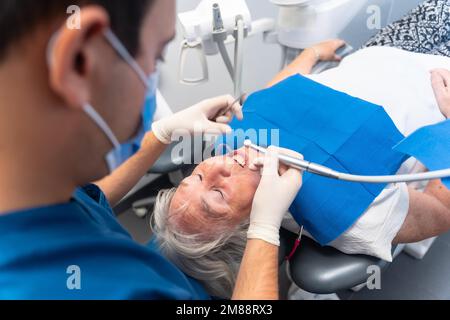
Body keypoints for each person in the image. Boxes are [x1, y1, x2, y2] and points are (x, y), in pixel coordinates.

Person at [0, 0, 302, 300]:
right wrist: (264, 229)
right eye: (156, 57)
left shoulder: (35, 193)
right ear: (78, 60)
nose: (213, 166)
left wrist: (161, 132)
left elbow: (91, 201)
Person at [150, 0, 450, 299]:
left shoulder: (225, 140)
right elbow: (442, 211)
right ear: (247, 230)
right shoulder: (347, 217)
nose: (215, 166)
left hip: (379, 52)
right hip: (440, 83)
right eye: (218, 194)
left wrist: (311, 55)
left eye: (196, 178)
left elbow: (269, 99)